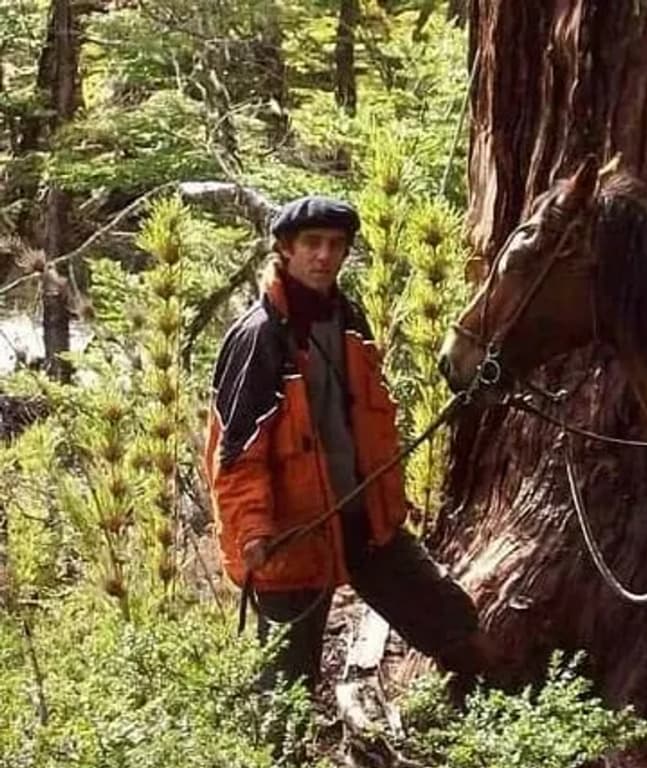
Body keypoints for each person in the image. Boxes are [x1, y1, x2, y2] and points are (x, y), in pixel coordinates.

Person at [203, 195, 500, 693]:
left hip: (365, 520)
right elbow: (236, 456)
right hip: (292, 536)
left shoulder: (349, 320)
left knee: (450, 620)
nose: (323, 256)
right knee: (286, 692)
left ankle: (486, 731)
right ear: (285, 249)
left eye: (335, 245)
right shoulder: (258, 338)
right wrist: (254, 529)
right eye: (312, 244)